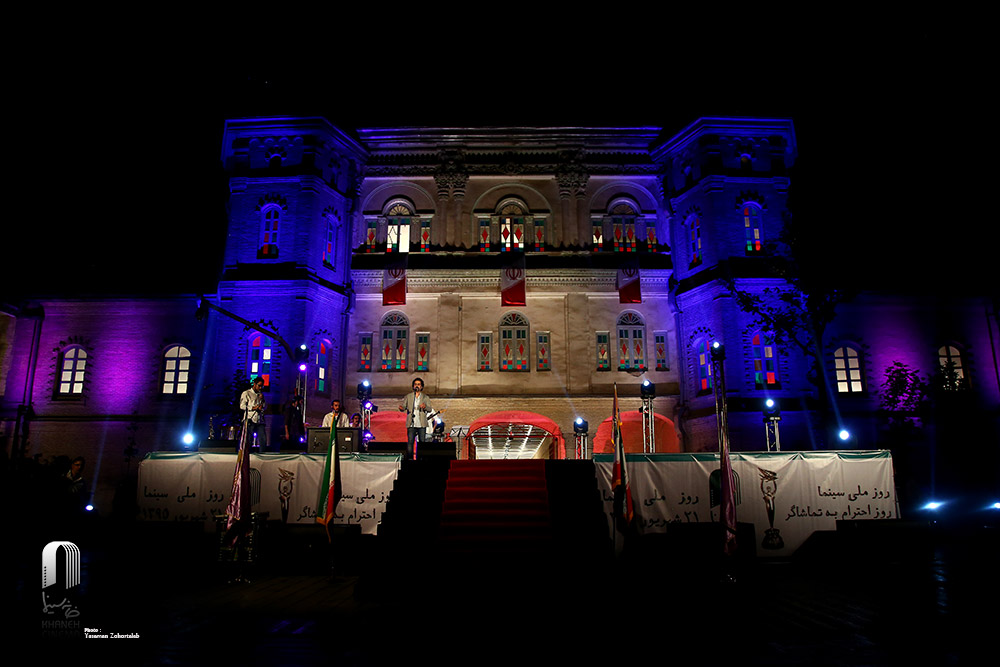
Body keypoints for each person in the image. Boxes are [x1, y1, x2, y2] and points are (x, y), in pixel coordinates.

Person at [398, 377, 432, 457]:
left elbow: (430, 409)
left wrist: (425, 407)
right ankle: (410, 459)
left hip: (421, 423)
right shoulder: (408, 396)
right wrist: (402, 408)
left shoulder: (425, 397)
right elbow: (404, 406)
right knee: (410, 442)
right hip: (411, 423)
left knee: (422, 442)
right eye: (415, 384)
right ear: (413, 386)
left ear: (422, 386)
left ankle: (421, 458)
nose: (417, 386)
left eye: (419, 384)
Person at [240, 377, 267, 449]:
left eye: (262, 386)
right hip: (250, 419)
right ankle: (248, 454)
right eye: (259, 385)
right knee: (249, 439)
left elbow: (265, 407)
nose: (260, 388)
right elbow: (242, 406)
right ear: (254, 384)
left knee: (263, 439)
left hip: (259, 419)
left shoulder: (260, 395)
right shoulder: (247, 393)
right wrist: (254, 407)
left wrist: (262, 400)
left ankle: (263, 455)